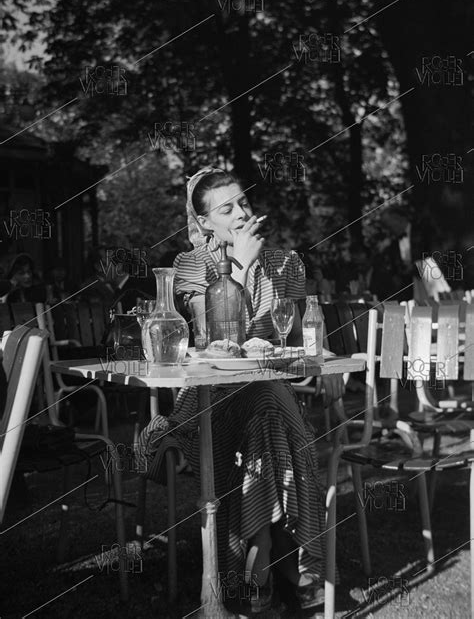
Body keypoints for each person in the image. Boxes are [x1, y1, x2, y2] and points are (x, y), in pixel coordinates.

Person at [138, 167, 345, 613]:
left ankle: (261, 557)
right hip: (209, 396)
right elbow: (215, 337)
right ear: (205, 222)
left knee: (266, 404)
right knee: (268, 406)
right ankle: (294, 563)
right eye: (226, 208)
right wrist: (242, 266)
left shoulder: (288, 263)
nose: (240, 213)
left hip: (267, 389)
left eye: (243, 203)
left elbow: (298, 338)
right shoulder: (190, 266)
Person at [370, 206, 414, 302]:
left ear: (398, 219)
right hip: (405, 291)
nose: (387, 229)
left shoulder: (420, 232)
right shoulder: (392, 244)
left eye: (388, 225)